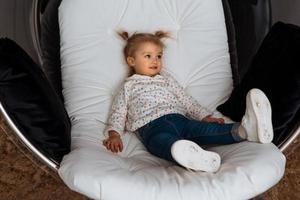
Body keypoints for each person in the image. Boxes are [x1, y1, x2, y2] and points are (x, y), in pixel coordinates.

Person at [102, 31, 273, 173]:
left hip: (180, 119)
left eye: (159, 56)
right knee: (160, 142)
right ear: (131, 61)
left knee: (206, 130)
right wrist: (114, 133)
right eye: (148, 56)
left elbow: (186, 100)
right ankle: (192, 157)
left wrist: (205, 116)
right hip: (152, 126)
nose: (155, 61)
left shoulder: (166, 80)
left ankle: (245, 130)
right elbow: (118, 111)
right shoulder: (129, 86)